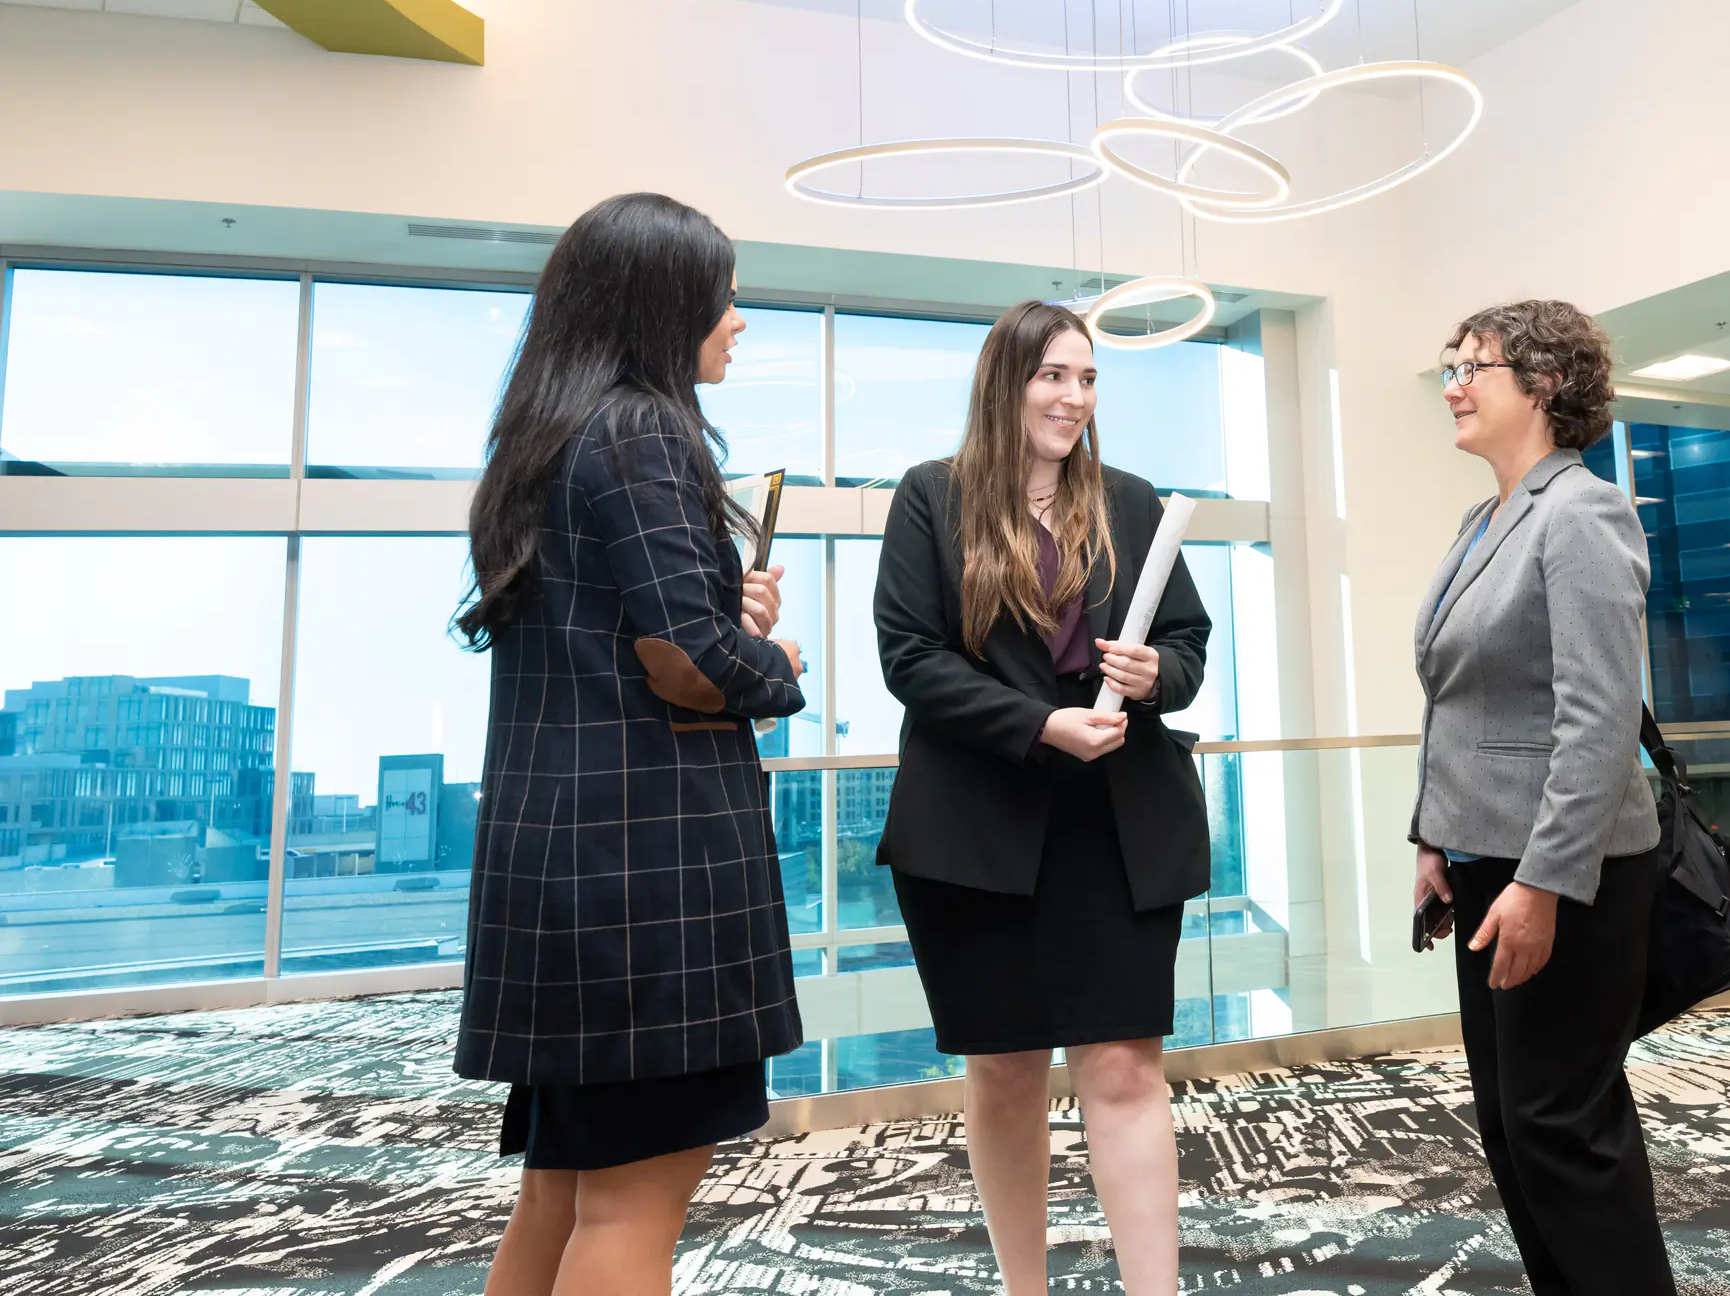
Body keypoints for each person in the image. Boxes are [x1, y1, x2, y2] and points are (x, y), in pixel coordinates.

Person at [452, 192, 808, 1296]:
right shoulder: (644, 427)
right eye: (724, 296)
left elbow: (626, 634)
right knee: (630, 1208)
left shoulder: (548, 432)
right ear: (663, 305)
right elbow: (684, 661)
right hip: (644, 877)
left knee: (562, 1194)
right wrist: (778, 667)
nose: (738, 319)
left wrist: (716, 616)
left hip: (563, 870)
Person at [871, 298, 1212, 1296]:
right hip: (977, 830)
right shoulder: (931, 498)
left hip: (1118, 826)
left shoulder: (1135, 502)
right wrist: (1035, 725)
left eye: (1088, 378)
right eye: (1053, 376)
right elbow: (910, 658)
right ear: (1006, 383)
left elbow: (1188, 644)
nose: (1073, 397)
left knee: (1123, 1069)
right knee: (1008, 1071)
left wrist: (1155, 675)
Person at [1409, 298, 1674, 1296]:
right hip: (1487, 866)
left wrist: (1541, 881)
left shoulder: (1583, 513)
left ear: (1547, 384)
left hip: (1571, 876)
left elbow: (1597, 720)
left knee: (1565, 1129)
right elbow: (1461, 699)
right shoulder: (1484, 521)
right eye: (1452, 364)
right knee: (1517, 1129)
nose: (1454, 385)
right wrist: (1434, 838)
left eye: (1474, 366)